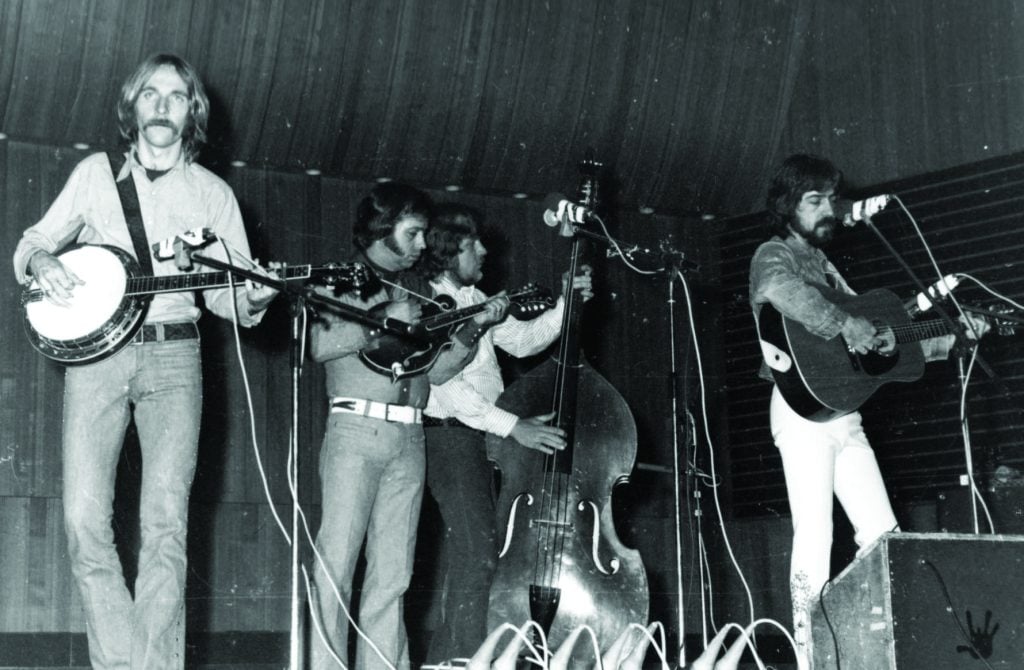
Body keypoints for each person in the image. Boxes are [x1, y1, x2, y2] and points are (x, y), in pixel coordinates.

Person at [12, 54, 278, 669]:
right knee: (83, 521)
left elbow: (229, 299)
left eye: (177, 95)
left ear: (193, 112)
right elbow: (31, 243)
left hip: (176, 358)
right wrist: (45, 262)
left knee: (165, 526)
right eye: (151, 93)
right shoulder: (95, 175)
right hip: (98, 359)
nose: (163, 104)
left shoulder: (213, 195)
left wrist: (254, 296)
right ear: (133, 106)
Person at [748, 153, 988, 666]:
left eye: (830, 200)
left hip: (843, 414)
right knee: (815, 532)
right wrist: (844, 324)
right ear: (787, 208)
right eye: (814, 202)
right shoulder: (773, 253)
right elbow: (776, 290)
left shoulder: (829, 270)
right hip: (800, 411)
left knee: (883, 536)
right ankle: (809, 650)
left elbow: (883, 337)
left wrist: (953, 338)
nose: (828, 210)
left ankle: (884, 644)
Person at [307, 184, 507, 670]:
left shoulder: (418, 291)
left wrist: (475, 326)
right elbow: (319, 344)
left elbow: (436, 372)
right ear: (382, 227)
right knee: (336, 569)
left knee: (394, 576)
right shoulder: (341, 278)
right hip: (356, 431)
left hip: (410, 437)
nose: (422, 245)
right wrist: (383, 324)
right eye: (413, 233)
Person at [416, 203, 593, 666]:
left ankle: (449, 660)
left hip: (475, 439)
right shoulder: (434, 304)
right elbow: (447, 389)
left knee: (478, 556)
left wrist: (564, 305)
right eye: (475, 244)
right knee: (477, 555)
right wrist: (515, 426)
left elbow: (525, 340)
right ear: (450, 251)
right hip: (449, 437)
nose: (485, 250)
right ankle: (458, 662)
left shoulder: (476, 298)